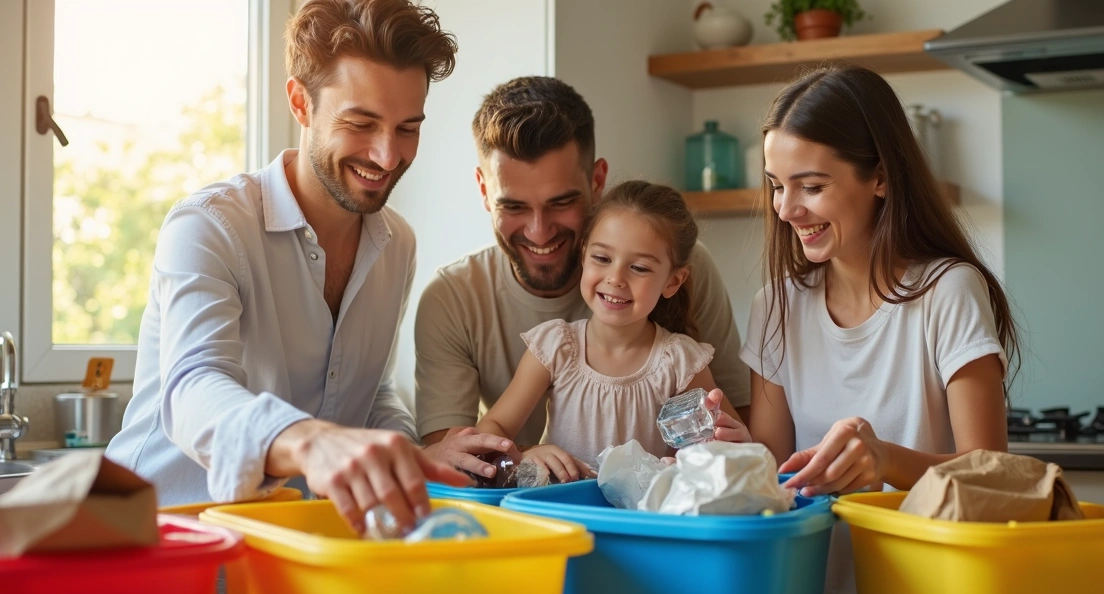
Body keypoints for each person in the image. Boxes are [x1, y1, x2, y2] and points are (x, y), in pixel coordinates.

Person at [106, 0, 512, 537]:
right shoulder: (208, 226)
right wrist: (311, 439)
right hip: (160, 547)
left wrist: (414, 451)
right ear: (300, 102)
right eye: (361, 123)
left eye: (408, 128)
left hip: (281, 554)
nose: (389, 156)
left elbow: (365, 391)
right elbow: (193, 389)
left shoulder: (397, 245)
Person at [712, 64, 1018, 594]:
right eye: (777, 185)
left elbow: (995, 479)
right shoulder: (776, 305)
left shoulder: (946, 291)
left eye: (812, 185)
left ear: (878, 176)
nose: (785, 209)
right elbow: (776, 480)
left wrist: (886, 462)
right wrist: (731, 447)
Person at [415, 77, 751, 478]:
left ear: (596, 182)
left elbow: (736, 434)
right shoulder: (479, 309)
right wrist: (528, 453)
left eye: (561, 202)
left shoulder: (681, 324)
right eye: (515, 206)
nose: (539, 231)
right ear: (484, 190)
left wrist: (711, 453)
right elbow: (458, 453)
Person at [474, 180, 738, 478]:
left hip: (643, 521)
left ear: (672, 281)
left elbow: (734, 450)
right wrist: (526, 453)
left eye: (639, 268)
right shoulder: (555, 347)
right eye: (602, 258)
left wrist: (699, 461)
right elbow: (489, 433)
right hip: (563, 518)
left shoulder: (681, 361)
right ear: (584, 254)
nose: (616, 278)